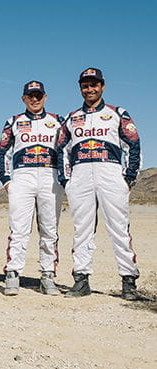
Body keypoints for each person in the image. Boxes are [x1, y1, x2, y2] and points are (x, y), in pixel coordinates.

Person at [57, 68, 141, 300]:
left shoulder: (118, 113)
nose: (90, 89)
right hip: (80, 174)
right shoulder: (71, 118)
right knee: (81, 229)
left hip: (110, 171)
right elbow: (61, 149)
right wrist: (66, 180)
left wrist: (128, 177)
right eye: (85, 85)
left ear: (102, 86)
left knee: (119, 228)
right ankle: (81, 279)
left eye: (94, 84)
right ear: (80, 88)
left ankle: (128, 281)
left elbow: (133, 144)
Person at [0, 81, 64, 296]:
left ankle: (48, 275)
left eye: (39, 95)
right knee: (19, 229)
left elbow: (66, 150)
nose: (35, 99)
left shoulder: (58, 121)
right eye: (30, 96)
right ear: (23, 98)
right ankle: (13, 273)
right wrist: (7, 180)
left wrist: (64, 178)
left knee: (49, 230)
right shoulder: (14, 121)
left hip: (50, 175)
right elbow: (3, 152)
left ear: (45, 97)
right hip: (22, 176)